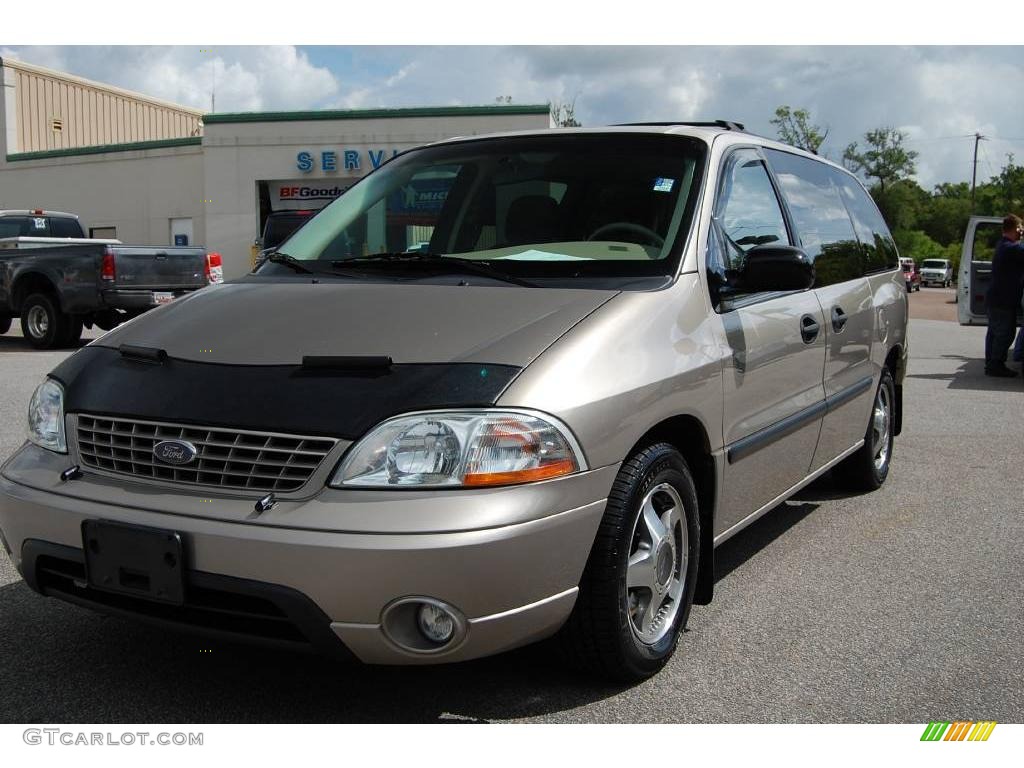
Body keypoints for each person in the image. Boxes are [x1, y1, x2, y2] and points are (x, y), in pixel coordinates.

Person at [984, 214, 1024, 377]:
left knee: (994, 332)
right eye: (1021, 228)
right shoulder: (1011, 248)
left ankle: (991, 363)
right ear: (1016, 228)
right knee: (1005, 333)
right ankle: (995, 365)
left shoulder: (1003, 245)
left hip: (997, 297)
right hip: (1003, 300)